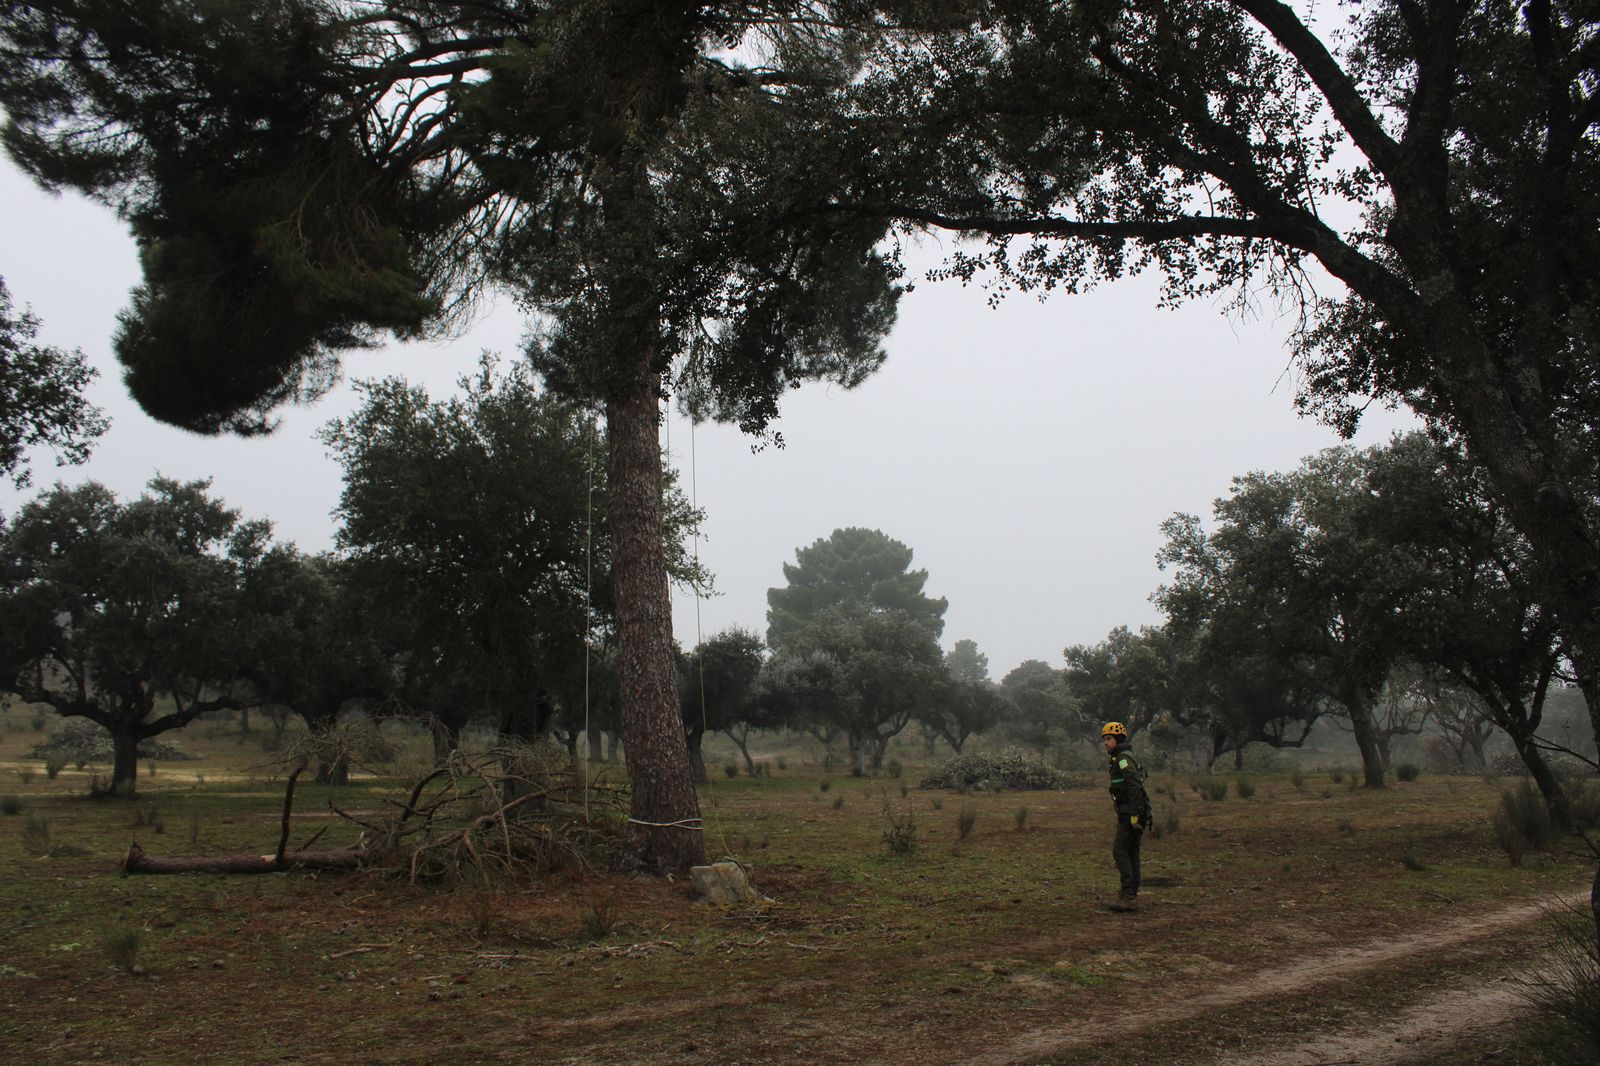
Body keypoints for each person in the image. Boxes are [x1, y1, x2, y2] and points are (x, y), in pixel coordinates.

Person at [1102, 721, 1150, 912]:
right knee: (1131, 852)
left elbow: (1135, 787)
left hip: (1130, 813)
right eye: (1104, 739)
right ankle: (1129, 894)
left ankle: (1129, 895)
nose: (1105, 743)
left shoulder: (1123, 759)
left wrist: (1135, 815)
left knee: (1120, 851)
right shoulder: (1120, 757)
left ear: (1118, 739)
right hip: (1129, 811)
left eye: (1109, 739)